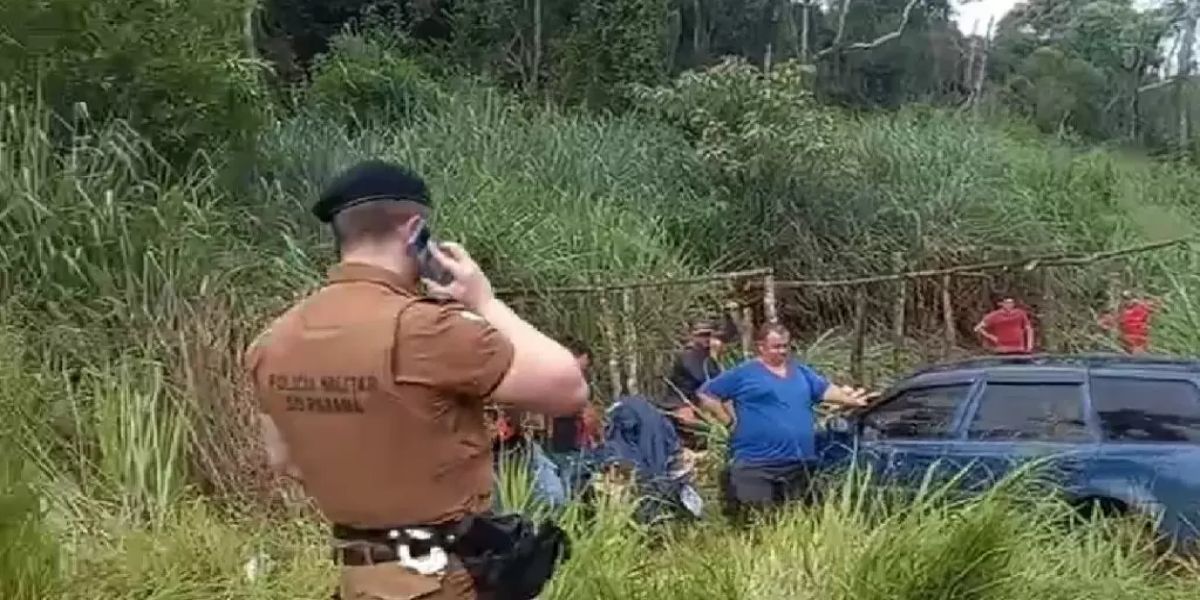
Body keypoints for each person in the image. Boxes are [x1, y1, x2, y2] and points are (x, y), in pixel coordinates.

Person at [243, 160, 588, 600]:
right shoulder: (428, 329)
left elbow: (283, 460)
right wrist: (485, 299)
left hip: (357, 580)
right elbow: (568, 387)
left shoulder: (276, 339)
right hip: (439, 581)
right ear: (415, 231)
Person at [696, 323, 870, 521]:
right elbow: (707, 394)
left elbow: (826, 390)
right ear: (761, 347)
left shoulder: (801, 372)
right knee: (757, 524)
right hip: (757, 465)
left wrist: (854, 400)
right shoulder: (745, 373)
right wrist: (728, 421)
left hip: (799, 465)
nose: (783, 351)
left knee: (803, 522)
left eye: (786, 346)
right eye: (776, 346)